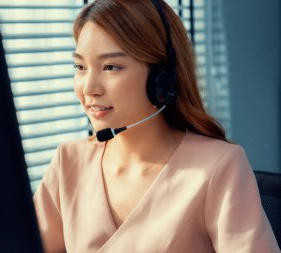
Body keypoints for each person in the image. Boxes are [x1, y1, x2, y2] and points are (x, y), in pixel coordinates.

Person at [33, 0, 280, 252]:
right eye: (80, 67)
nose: (89, 88)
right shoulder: (69, 162)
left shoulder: (219, 166)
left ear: (162, 79)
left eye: (111, 67)